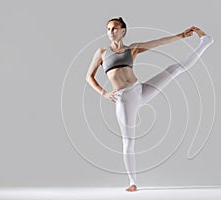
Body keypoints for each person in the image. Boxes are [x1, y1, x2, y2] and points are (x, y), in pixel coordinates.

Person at [86, 17, 214, 192]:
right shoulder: (101, 52)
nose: (111, 32)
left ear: (123, 30)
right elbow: (89, 77)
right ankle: (132, 182)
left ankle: (205, 42)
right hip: (123, 100)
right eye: (108, 29)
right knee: (128, 142)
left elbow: (158, 42)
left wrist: (181, 36)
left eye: (115, 28)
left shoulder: (132, 49)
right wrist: (104, 93)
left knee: (174, 69)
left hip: (139, 91)